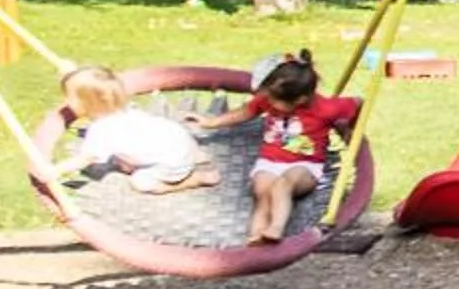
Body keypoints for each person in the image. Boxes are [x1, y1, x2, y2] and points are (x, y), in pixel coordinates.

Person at [191, 52, 356, 246]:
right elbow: (245, 112)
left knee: (282, 186)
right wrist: (210, 123)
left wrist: (349, 127)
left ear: (300, 99)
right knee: (262, 193)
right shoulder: (270, 97)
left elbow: (357, 102)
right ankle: (255, 236)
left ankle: (276, 228)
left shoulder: (325, 108)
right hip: (269, 162)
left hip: (305, 165)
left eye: (274, 100)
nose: (268, 102)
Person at [61, 65, 219, 194]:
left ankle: (195, 179)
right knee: (137, 150)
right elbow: (98, 88)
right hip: (182, 140)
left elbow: (84, 159)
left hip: (172, 164)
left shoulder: (101, 131)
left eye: (70, 97)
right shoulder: (124, 108)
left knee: (141, 182)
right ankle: (197, 157)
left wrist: (54, 171)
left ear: (87, 103)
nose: (66, 102)